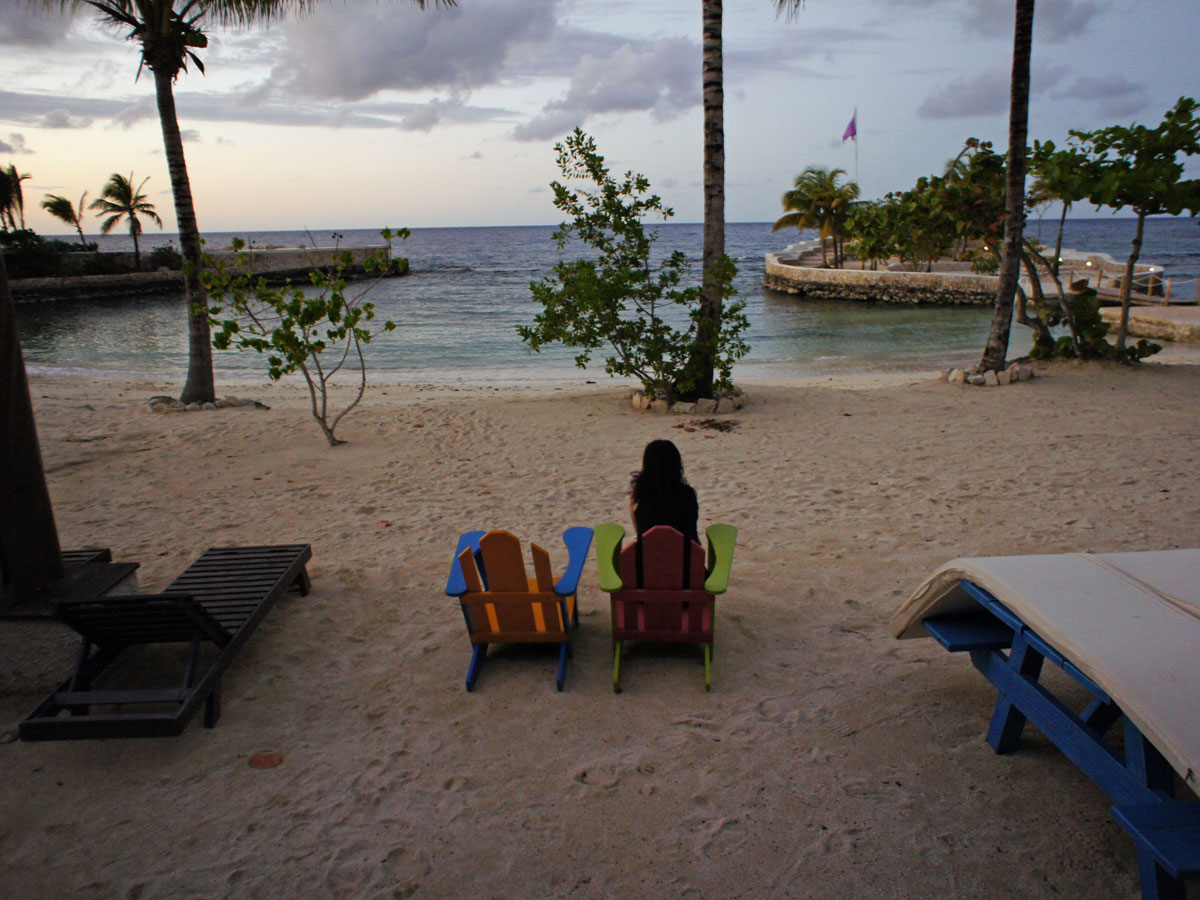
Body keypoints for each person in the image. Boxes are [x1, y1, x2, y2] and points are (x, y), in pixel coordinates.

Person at [628, 439, 699, 545]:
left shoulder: (639, 496)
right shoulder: (689, 494)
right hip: (686, 557)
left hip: (647, 558)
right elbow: (691, 526)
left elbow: (638, 530)